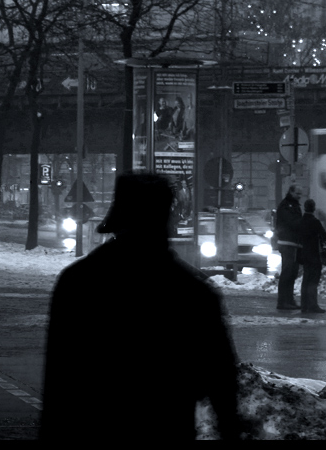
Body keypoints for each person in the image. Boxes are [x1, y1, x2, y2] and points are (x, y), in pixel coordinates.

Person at [40, 172, 242, 442]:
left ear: (119, 217)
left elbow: (59, 383)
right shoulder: (193, 292)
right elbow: (221, 386)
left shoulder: (78, 282)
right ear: (166, 220)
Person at [274, 184, 304, 310]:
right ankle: (283, 301)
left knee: (292, 272)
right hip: (287, 243)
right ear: (291, 192)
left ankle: (289, 299)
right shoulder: (286, 205)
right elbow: (291, 222)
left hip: (293, 243)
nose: (299, 196)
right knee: (287, 272)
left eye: (300, 194)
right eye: (297, 194)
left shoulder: (293, 205)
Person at [297, 199, 326, 314]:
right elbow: (324, 235)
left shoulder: (301, 221)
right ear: (314, 208)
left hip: (304, 253)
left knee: (306, 279)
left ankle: (304, 305)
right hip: (314, 254)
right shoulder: (315, 222)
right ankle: (313, 305)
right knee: (313, 281)